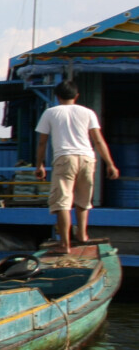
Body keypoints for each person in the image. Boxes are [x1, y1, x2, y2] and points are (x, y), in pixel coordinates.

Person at [33, 79, 118, 254]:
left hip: (65, 158)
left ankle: (65, 244)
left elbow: (42, 143)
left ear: (57, 96)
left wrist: (39, 164)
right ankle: (82, 235)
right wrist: (110, 164)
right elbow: (98, 140)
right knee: (83, 199)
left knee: (62, 202)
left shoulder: (50, 113)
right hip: (87, 158)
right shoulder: (88, 112)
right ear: (76, 96)